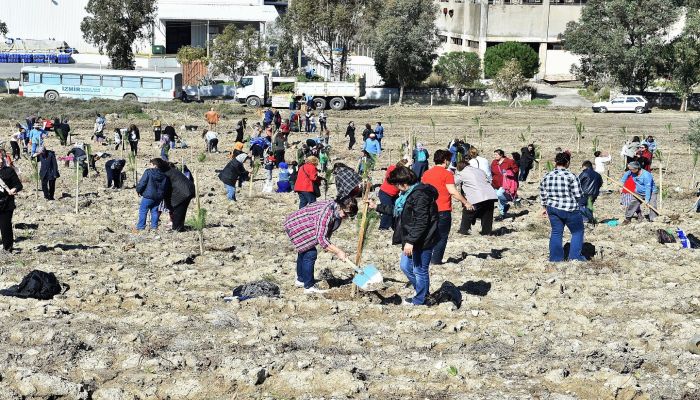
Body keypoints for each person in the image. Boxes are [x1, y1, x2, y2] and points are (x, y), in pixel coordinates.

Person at [371, 166, 439, 305]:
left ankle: (420, 300)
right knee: (406, 266)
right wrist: (376, 207)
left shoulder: (420, 195)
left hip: (424, 239)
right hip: (412, 237)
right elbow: (400, 211)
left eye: (396, 184)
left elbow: (421, 221)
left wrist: (411, 241)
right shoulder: (407, 194)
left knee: (420, 270)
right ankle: (423, 293)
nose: (396, 188)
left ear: (403, 183)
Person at [285, 196, 359, 295]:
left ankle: (301, 280)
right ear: (340, 206)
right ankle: (309, 287)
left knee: (304, 250)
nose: (346, 216)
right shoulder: (326, 213)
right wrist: (338, 251)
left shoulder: (336, 210)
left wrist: (329, 245)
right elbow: (321, 238)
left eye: (349, 215)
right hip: (297, 225)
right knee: (310, 253)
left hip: (304, 223)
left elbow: (327, 230)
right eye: (345, 213)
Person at [421, 149, 473, 265]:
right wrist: (466, 202)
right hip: (442, 210)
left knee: (428, 235)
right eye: (449, 160)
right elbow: (453, 192)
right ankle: (436, 260)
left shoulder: (426, 174)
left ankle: (426, 259)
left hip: (427, 209)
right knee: (441, 237)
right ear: (445, 160)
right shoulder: (447, 174)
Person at [539, 152, 586, 262]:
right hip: (570, 209)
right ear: (568, 163)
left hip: (552, 208)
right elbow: (578, 195)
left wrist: (544, 207)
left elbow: (543, 194)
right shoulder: (571, 176)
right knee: (577, 231)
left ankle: (555, 258)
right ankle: (575, 257)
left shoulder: (546, 176)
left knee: (556, 232)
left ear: (555, 162)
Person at [454, 160, 497, 235]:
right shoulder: (480, 170)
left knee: (468, 212)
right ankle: (486, 232)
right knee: (487, 214)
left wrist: (456, 173)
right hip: (490, 194)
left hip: (477, 196)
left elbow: (453, 182)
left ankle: (463, 231)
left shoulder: (462, 173)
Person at [135, 158, 170, 231]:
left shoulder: (148, 172)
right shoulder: (164, 174)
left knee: (143, 211)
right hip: (159, 197)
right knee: (154, 211)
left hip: (148, 196)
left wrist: (138, 190)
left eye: (151, 164)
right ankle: (154, 227)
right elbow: (166, 186)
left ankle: (141, 227)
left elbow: (142, 183)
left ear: (155, 165)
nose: (149, 165)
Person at [164, 163, 196, 232]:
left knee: (179, 210)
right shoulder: (173, 171)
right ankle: (178, 227)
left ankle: (177, 228)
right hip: (186, 191)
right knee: (179, 210)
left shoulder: (168, 173)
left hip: (184, 192)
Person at [0, 156, 23, 252]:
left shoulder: (9, 171)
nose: (0, 161)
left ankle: (8, 248)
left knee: (5, 226)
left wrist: (14, 189)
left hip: (6, 203)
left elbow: (18, 185)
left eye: (1, 159)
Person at [378, 160, 406, 230]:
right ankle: (383, 227)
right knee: (387, 209)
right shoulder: (392, 170)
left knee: (396, 209)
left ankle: (394, 225)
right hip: (385, 193)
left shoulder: (402, 174)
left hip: (394, 195)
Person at [491, 149, 519, 216]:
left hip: (506, 183)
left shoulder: (509, 161)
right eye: (494, 154)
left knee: (499, 194)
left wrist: (509, 173)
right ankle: (502, 213)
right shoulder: (494, 162)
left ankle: (511, 200)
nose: (495, 156)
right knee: (499, 198)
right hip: (496, 183)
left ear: (501, 155)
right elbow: (492, 172)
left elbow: (516, 169)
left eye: (496, 154)